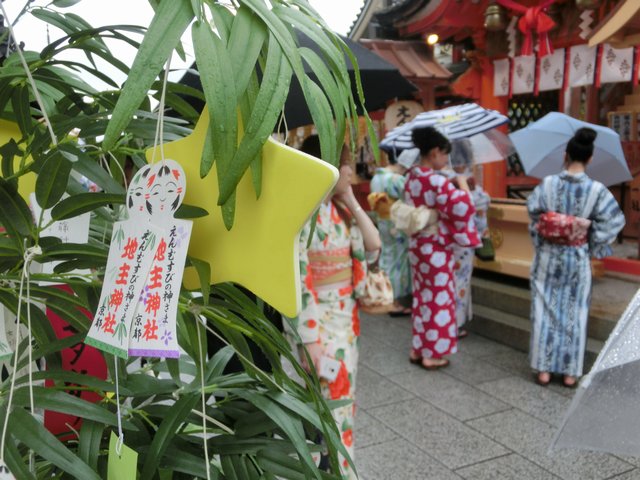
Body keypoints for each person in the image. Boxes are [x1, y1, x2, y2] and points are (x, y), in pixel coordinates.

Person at [284, 135, 381, 479]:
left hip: (346, 317)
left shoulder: (341, 211)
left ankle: (335, 466)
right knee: (329, 401)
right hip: (320, 323)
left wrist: (350, 198)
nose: (350, 171)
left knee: (342, 400)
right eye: (345, 165)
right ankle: (337, 470)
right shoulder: (301, 214)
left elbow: (373, 247)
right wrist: (308, 337)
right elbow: (299, 277)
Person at [527, 127, 625, 388]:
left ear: (565, 155)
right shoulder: (597, 190)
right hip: (576, 258)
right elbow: (614, 221)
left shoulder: (547, 184)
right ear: (590, 158)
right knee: (574, 312)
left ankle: (544, 369)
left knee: (544, 310)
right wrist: (590, 241)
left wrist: (544, 239)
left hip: (548, 256)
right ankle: (570, 372)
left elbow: (534, 216)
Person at [404, 126, 481, 370]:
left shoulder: (412, 176)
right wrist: (462, 185)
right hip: (435, 247)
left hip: (417, 244)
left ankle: (418, 348)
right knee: (439, 298)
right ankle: (432, 353)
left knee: (422, 297)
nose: (447, 160)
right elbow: (463, 209)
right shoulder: (437, 180)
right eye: (445, 155)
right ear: (435, 152)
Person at [447, 139, 492, 338]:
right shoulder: (468, 182)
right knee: (460, 281)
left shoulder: (442, 179)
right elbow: (478, 207)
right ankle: (454, 324)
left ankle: (444, 322)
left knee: (446, 280)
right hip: (464, 240)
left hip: (444, 239)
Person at [367, 148, 418, 315]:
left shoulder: (377, 177)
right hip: (397, 222)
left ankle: (386, 295)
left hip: (383, 221)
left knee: (387, 256)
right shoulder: (396, 179)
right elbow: (410, 197)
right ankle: (395, 301)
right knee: (399, 261)